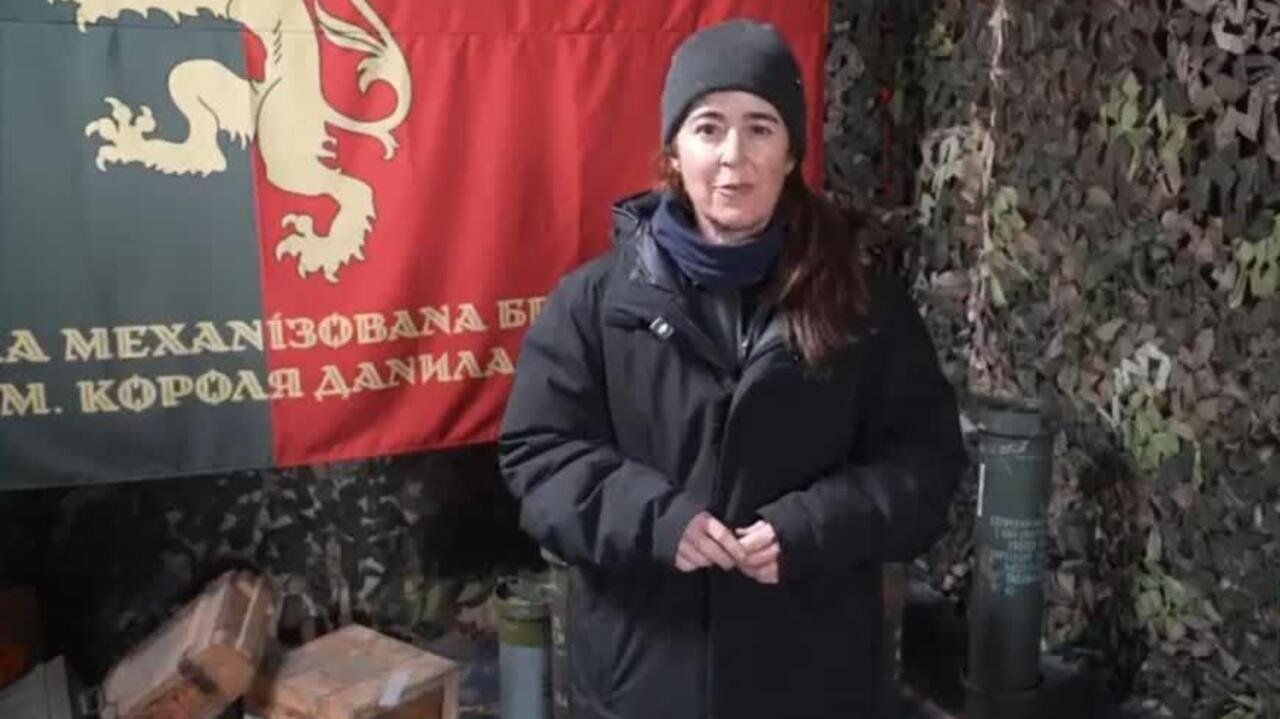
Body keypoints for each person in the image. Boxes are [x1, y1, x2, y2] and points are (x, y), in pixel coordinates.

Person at [499, 18, 966, 719]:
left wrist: (812, 528)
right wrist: (656, 520)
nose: (733, 156)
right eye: (709, 128)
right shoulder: (594, 304)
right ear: (674, 150)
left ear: (791, 153)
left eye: (760, 128)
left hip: (812, 679)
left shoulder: (862, 303)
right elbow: (540, 456)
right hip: (641, 680)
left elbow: (924, 463)